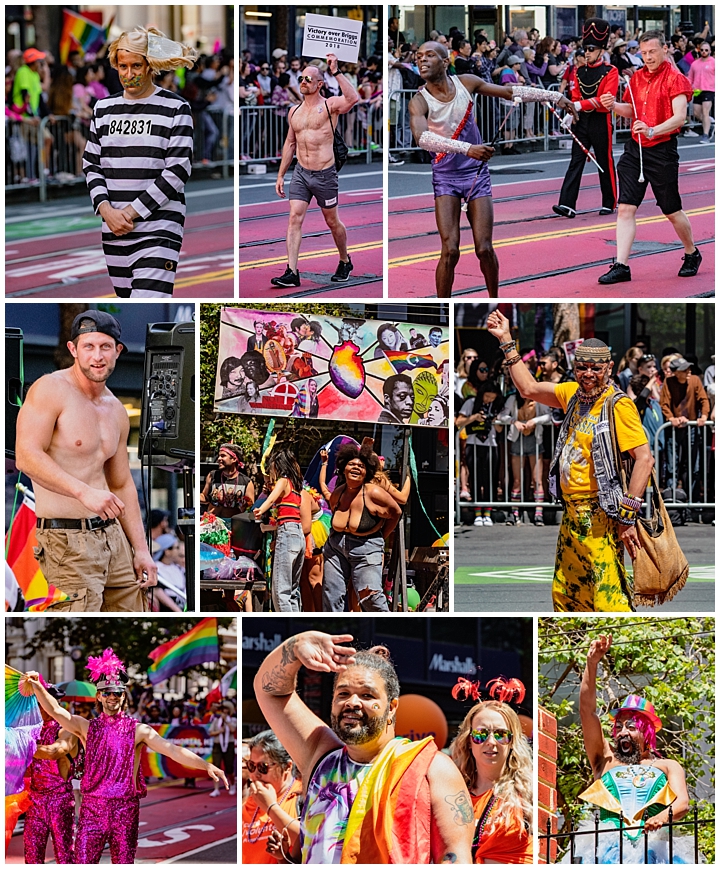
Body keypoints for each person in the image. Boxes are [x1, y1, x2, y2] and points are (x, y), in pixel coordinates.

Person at [254, 631, 474, 862]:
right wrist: (296, 645)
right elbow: (269, 691)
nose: (352, 703)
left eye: (367, 695)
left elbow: (455, 858)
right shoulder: (320, 754)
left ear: (391, 707)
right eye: (343, 694)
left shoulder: (432, 768)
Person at [487, 310, 655, 612]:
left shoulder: (619, 405)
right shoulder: (573, 395)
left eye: (595, 368)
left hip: (602, 516)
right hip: (571, 515)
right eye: (581, 367)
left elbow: (644, 459)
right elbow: (528, 388)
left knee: (607, 598)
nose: (587, 373)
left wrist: (627, 519)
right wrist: (507, 341)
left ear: (610, 368)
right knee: (567, 596)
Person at [21, 649, 228, 864]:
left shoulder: (139, 730)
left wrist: (206, 765)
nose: (112, 697)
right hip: (92, 810)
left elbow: (173, 750)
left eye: (117, 692)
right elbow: (55, 710)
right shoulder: (86, 728)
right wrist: (37, 686)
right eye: (107, 692)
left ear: (123, 695)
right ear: (99, 695)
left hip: (125, 811)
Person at [409, 41, 577, 298]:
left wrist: (554, 96)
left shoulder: (466, 82)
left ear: (445, 62)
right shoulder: (418, 101)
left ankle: (494, 301)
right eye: (418, 56)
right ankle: (443, 305)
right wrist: (467, 148)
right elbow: (422, 139)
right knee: (450, 250)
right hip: (445, 177)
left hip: (476, 176)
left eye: (429, 55)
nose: (422, 60)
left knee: (484, 248)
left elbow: (510, 92)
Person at [15, 311, 157, 612]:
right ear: (73, 350)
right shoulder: (50, 389)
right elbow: (27, 456)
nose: (97, 356)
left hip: (114, 537)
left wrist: (142, 549)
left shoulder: (116, 409)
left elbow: (121, 483)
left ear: (118, 350)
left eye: (105, 346)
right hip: (66, 539)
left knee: (132, 615)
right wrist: (83, 491)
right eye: (88, 346)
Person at [83, 27, 198, 298]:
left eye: (136, 65)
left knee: (147, 298)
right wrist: (107, 211)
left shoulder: (176, 108)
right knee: (127, 299)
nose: (128, 74)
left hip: (160, 223)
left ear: (150, 66)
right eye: (122, 66)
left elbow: (178, 170)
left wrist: (130, 212)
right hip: (113, 226)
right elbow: (91, 164)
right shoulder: (102, 109)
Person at [574, 635, 691, 863]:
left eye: (631, 725)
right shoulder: (605, 759)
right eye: (618, 726)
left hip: (654, 849)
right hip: (606, 850)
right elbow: (587, 713)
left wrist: (660, 817)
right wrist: (592, 663)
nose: (623, 731)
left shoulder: (668, 765)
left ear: (647, 732)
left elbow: (682, 804)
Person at [598, 31, 702, 283]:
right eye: (643, 53)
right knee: (625, 207)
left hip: (662, 149)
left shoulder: (675, 78)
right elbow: (631, 110)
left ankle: (692, 252)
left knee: (671, 209)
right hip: (636, 149)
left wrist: (653, 129)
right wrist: (612, 105)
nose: (647, 57)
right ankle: (621, 264)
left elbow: (680, 117)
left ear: (665, 49)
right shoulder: (637, 77)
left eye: (652, 52)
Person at [271, 54, 359, 288]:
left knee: (332, 222)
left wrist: (336, 71)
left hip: (324, 174)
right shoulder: (294, 111)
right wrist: (281, 175)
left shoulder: (329, 106)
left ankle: (344, 260)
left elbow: (353, 98)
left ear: (319, 84)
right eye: (301, 78)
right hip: (301, 173)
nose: (303, 81)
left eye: (308, 78)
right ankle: (291, 271)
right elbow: (290, 144)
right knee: (294, 218)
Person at [450, 679, 533, 863]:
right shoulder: (452, 793)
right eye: (480, 734)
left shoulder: (528, 793)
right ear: (468, 741)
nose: (491, 742)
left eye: (501, 734)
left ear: (512, 742)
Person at [319, 445, 401, 612]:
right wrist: (324, 465)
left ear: (367, 472)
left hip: (367, 549)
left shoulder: (374, 493)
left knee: (370, 597)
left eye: (361, 466)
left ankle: (386, 633)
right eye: (351, 464)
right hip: (335, 548)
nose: (356, 467)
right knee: (331, 596)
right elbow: (331, 505)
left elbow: (396, 512)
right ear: (343, 468)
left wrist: (380, 537)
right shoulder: (339, 493)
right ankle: (338, 633)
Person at [553, 19, 619, 219]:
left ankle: (610, 202)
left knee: (604, 161)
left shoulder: (611, 71)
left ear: (601, 50)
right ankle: (567, 203)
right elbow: (575, 97)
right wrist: (570, 112)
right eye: (585, 49)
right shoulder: (579, 71)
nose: (587, 53)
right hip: (581, 122)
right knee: (576, 160)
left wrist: (581, 105)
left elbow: (605, 100)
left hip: (600, 121)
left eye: (591, 49)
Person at [24, 684, 78, 864]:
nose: (40, 708)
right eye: (38, 703)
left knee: (64, 856)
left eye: (44, 703)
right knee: (32, 856)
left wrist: (21, 745)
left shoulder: (67, 729)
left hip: (60, 801)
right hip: (34, 801)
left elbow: (53, 752)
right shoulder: (30, 731)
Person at [254, 450, 313, 611]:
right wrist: (267, 527)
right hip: (297, 535)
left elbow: (272, 498)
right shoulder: (297, 487)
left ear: (278, 465)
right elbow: (290, 518)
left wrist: (260, 509)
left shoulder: (284, 480)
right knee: (292, 591)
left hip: (287, 534)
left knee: (280, 591)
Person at [242, 730, 302, 863]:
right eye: (251, 766)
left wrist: (270, 807)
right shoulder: (252, 798)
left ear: (287, 766)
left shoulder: (302, 796)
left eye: (263, 767)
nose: (255, 774)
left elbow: (311, 839)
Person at [659, 357, 709, 502]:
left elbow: (703, 399)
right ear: (675, 372)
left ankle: (693, 500)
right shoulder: (669, 382)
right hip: (674, 429)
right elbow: (664, 404)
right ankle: (671, 500)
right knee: (671, 465)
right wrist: (671, 418)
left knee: (693, 465)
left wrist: (704, 416)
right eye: (684, 370)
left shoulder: (694, 380)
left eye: (688, 368)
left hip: (692, 427)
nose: (688, 371)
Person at [201, 443, 255, 524]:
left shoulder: (246, 482)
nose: (219, 458)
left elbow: (250, 508)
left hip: (233, 525)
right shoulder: (213, 475)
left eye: (223, 456)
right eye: (219, 456)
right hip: (211, 523)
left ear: (234, 459)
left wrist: (244, 505)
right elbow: (204, 496)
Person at [208, 700, 237, 797]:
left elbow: (233, 729)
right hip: (218, 744)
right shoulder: (216, 721)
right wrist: (219, 731)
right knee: (216, 766)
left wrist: (227, 721)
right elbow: (210, 732)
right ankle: (216, 789)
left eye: (225, 710)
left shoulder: (233, 720)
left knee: (229, 767)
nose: (224, 712)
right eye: (222, 710)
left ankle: (232, 785)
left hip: (229, 744)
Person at [687, 43, 714, 143]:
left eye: (706, 50)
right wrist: (690, 87)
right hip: (697, 90)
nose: (704, 52)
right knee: (696, 113)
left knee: (705, 112)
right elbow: (690, 77)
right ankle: (710, 124)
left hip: (709, 90)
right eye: (702, 50)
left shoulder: (714, 62)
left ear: (710, 51)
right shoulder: (695, 63)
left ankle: (705, 135)